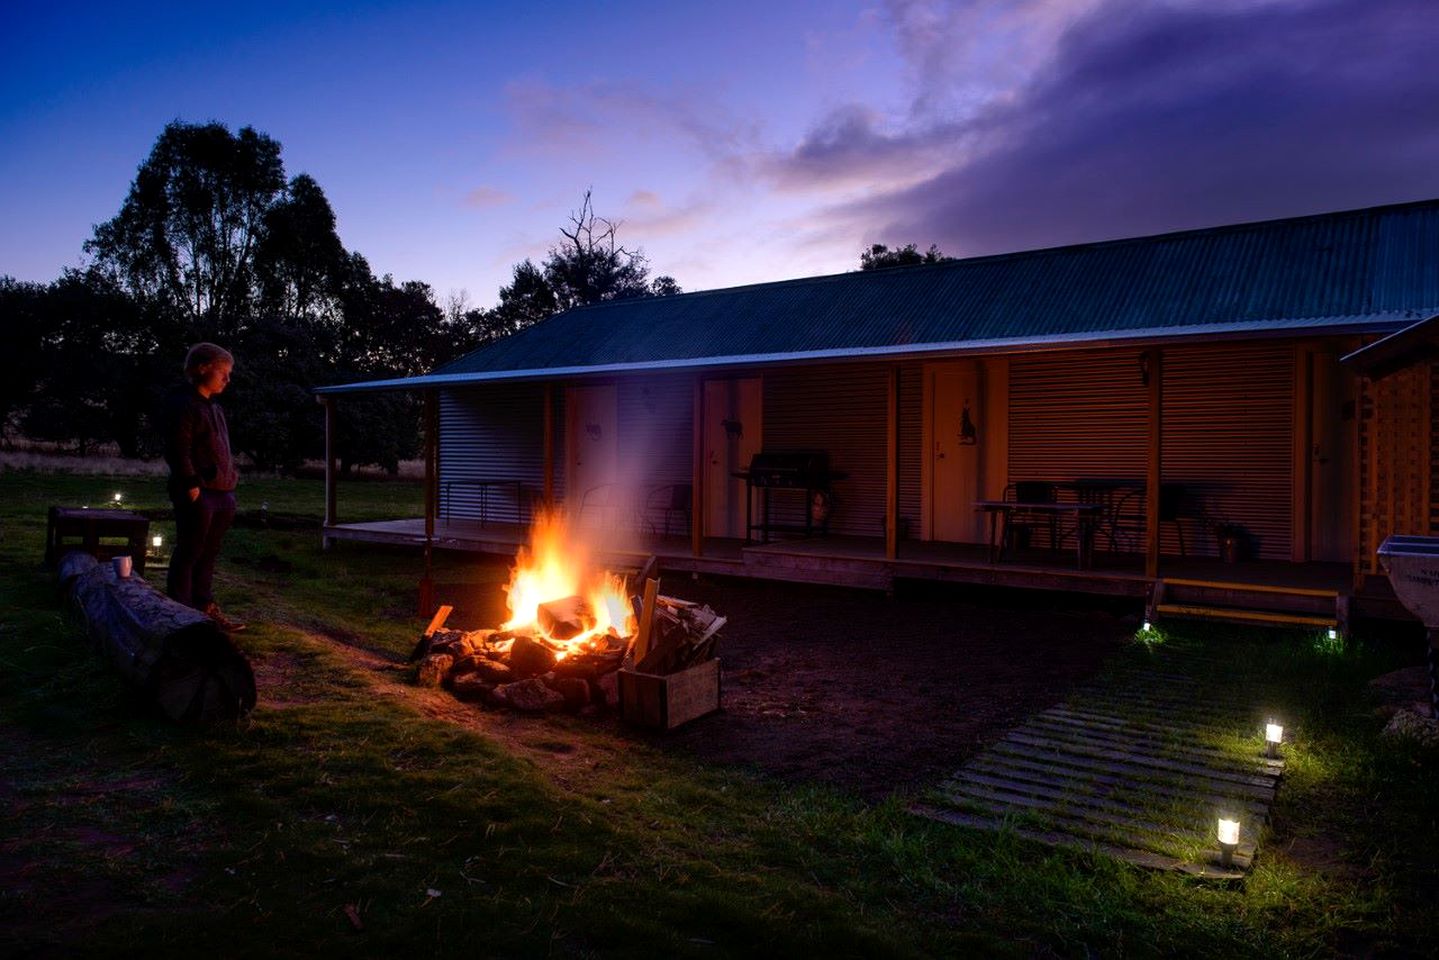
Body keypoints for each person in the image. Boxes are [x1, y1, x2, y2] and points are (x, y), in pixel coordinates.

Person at [162, 342, 246, 632]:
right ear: (202, 368)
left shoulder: (215, 409)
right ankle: (181, 615)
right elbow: (178, 449)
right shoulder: (183, 406)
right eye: (223, 372)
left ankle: (204, 606)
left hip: (222, 491)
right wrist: (190, 484)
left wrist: (230, 477)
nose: (227, 379)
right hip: (199, 492)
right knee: (190, 550)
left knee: (209, 552)